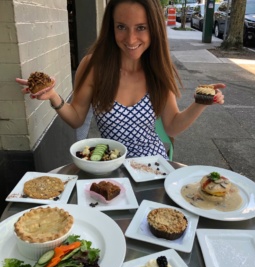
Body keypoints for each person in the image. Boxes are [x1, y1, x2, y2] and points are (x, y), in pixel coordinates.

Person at [16, 0, 225, 160]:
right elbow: (77, 118)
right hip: (108, 163)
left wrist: (200, 103)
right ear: (111, 28)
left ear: (154, 29)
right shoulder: (93, 66)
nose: (131, 39)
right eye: (121, 27)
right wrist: (53, 96)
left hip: (153, 164)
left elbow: (171, 126)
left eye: (141, 27)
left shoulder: (158, 68)